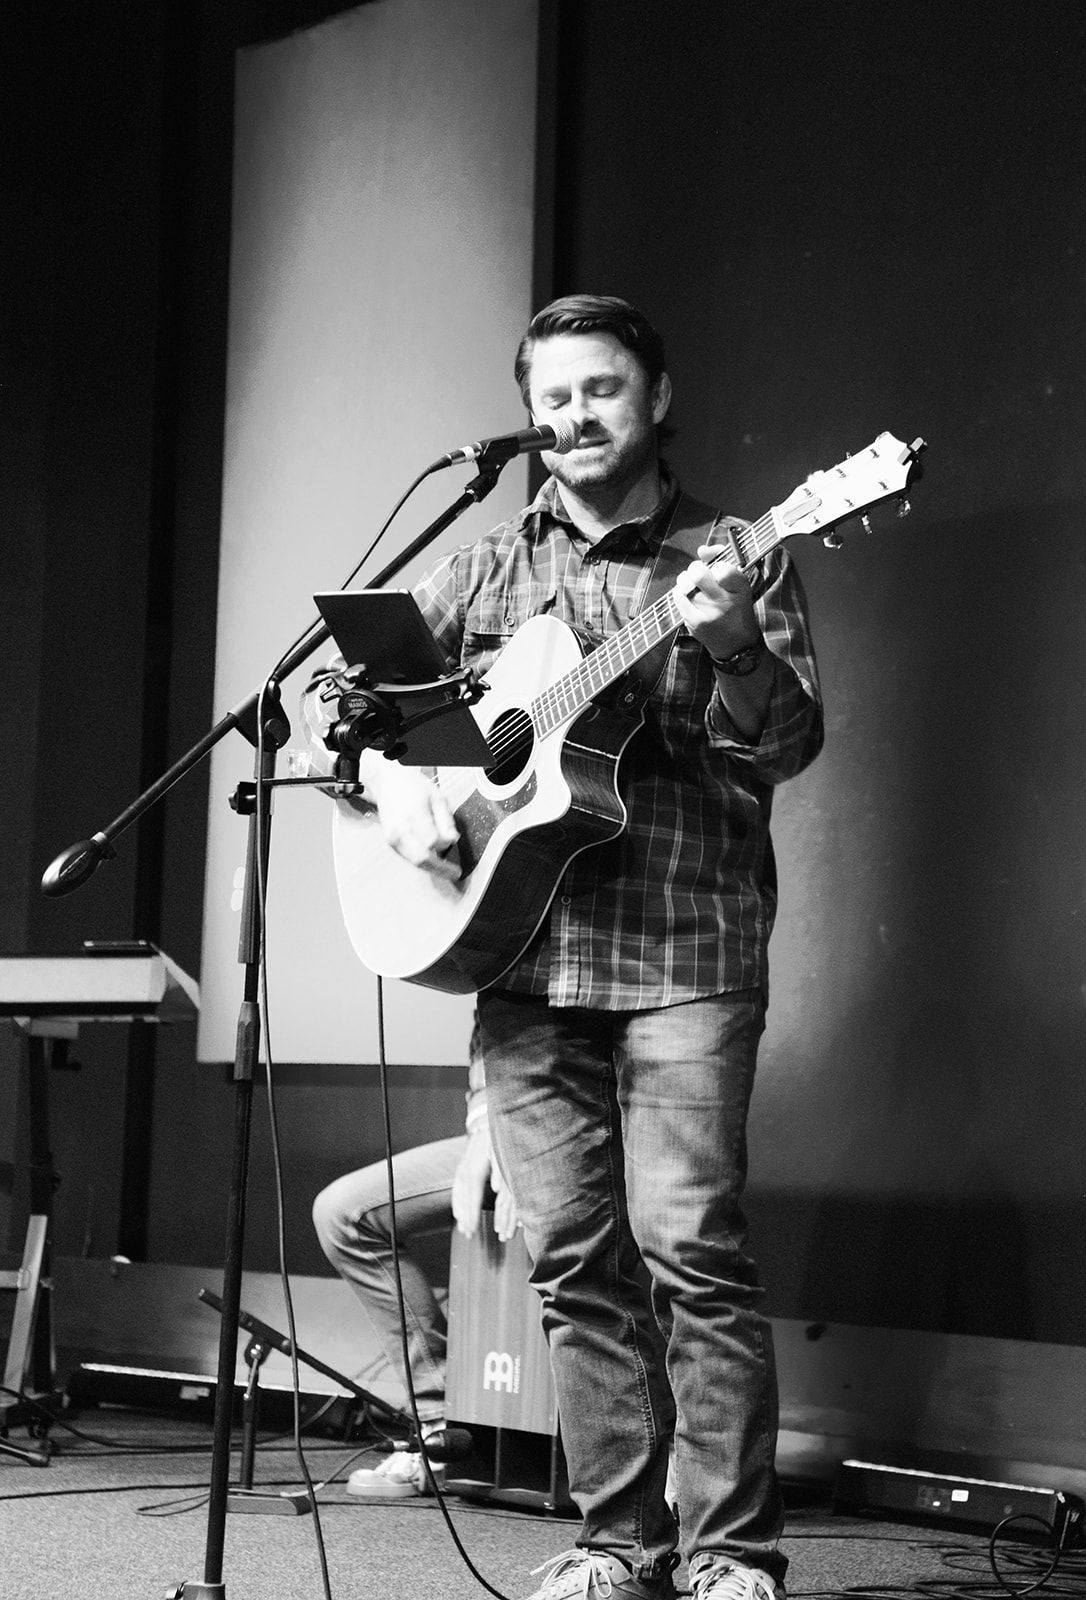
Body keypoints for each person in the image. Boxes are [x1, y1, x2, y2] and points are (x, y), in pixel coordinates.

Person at [308, 294, 822, 1599]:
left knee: (686, 1248)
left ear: (656, 399)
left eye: (600, 389)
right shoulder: (485, 566)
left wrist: (731, 647)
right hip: (518, 963)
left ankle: (727, 1556)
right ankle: (615, 1544)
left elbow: (785, 744)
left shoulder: (732, 553)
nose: (571, 415)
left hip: (682, 955)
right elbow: (344, 693)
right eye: (551, 396)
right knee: (573, 1262)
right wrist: (393, 784)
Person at [311, 1058, 517, 1497]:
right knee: (343, 1212)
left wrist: (533, 1147)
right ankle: (439, 1429)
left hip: (588, 1127)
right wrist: (489, 1127)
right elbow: (490, 1043)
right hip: (503, 1125)